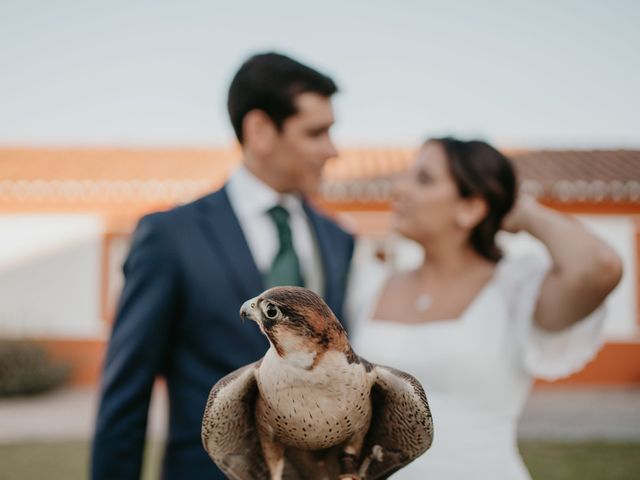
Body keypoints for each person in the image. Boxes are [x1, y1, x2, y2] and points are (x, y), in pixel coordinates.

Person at [91, 52, 355, 480]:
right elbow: (126, 394)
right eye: (316, 132)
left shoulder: (338, 239)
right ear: (260, 130)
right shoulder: (170, 236)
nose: (332, 150)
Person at [350, 137, 623, 479]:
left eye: (423, 179)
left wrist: (524, 212)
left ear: (471, 208)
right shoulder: (371, 283)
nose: (399, 189)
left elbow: (600, 266)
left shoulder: (516, 287)